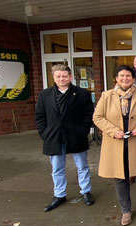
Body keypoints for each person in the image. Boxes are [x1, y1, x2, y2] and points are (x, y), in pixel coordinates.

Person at [93, 65, 136, 226]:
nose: (125, 78)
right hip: (116, 144)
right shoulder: (107, 95)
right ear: (116, 78)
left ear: (133, 78)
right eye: (122, 76)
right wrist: (113, 131)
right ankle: (126, 211)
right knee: (121, 179)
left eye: (128, 76)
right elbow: (98, 117)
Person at [35, 64, 94, 212]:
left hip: (76, 135)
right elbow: (40, 116)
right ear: (53, 77)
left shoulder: (82, 94)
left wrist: (83, 131)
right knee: (57, 168)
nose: (61, 79)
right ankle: (59, 195)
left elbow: (88, 115)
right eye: (58, 76)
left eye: (64, 76)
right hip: (54, 137)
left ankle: (86, 191)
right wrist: (44, 133)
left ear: (70, 77)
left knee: (82, 166)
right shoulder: (45, 95)